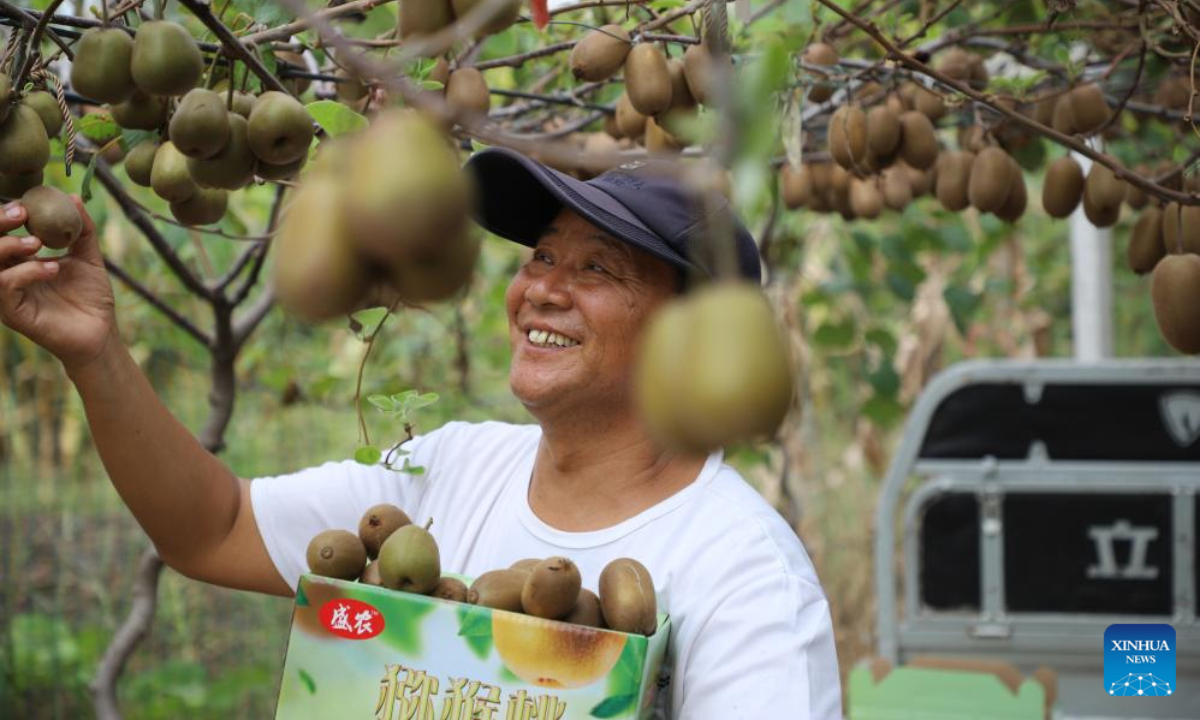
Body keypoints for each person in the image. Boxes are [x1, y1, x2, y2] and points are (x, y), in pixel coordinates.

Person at [0, 147, 842, 719]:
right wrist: (95, 352)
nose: (543, 289)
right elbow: (210, 529)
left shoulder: (745, 577)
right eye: (542, 258)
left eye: (596, 269)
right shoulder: (449, 469)